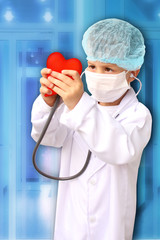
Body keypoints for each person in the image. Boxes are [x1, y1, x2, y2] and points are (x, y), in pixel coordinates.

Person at [31, 18, 152, 240]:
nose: (97, 74)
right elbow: (47, 137)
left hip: (111, 229)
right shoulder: (76, 106)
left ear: (132, 72)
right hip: (70, 227)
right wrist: (48, 102)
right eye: (92, 66)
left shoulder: (138, 115)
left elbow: (119, 150)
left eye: (108, 68)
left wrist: (79, 105)